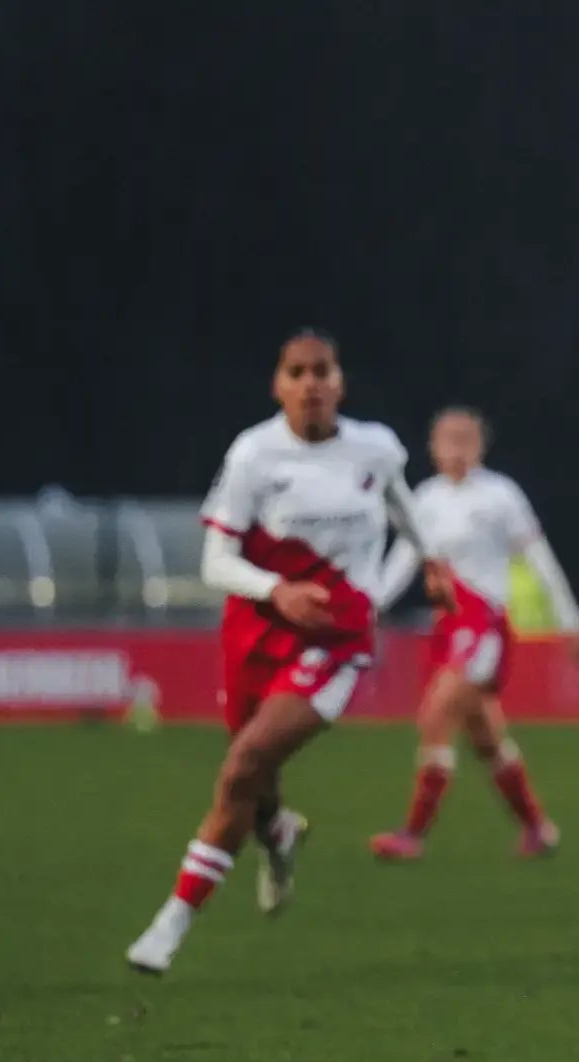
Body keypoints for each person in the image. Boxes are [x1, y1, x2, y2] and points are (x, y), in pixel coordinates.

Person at [125, 331, 450, 974]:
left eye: (321, 371)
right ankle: (276, 831)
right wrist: (278, 591)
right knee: (255, 773)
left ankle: (171, 922)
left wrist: (430, 560)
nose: (310, 384)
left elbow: (401, 505)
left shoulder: (376, 448)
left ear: (339, 382)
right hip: (255, 631)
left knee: (242, 765)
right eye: (296, 372)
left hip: (335, 636)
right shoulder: (253, 455)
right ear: (278, 385)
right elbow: (215, 562)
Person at [370, 407, 579, 860]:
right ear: (432, 447)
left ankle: (413, 834)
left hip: (483, 626)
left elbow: (540, 559)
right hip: (448, 627)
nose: (456, 448)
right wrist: (367, 610)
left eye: (465, 438)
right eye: (447, 438)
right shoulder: (426, 499)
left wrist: (569, 621)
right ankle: (538, 828)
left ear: (480, 445)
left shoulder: (500, 495)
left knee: (435, 716)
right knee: (486, 738)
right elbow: (403, 563)